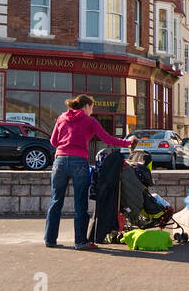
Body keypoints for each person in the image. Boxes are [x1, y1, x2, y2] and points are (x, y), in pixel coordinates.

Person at [44, 94, 134, 250]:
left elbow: (53, 142)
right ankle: (80, 242)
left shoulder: (61, 118)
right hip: (79, 162)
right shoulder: (89, 121)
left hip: (59, 161)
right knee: (80, 202)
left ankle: (50, 239)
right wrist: (128, 143)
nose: (92, 111)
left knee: (56, 200)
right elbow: (107, 139)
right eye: (91, 107)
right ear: (86, 106)